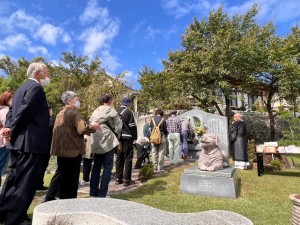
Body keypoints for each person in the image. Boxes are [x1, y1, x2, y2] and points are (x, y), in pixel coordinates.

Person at [0, 62, 51, 225]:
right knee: (25, 183)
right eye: (47, 72)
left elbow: (12, 112)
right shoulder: (35, 88)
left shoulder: (22, 88)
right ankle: (16, 219)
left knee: (13, 180)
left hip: (19, 144)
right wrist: (13, 132)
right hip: (30, 143)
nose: (48, 76)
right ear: (38, 73)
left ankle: (3, 213)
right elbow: (24, 112)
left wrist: (9, 129)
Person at [44, 91, 99, 202]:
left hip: (61, 150)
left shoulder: (60, 113)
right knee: (72, 177)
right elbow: (82, 128)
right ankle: (69, 199)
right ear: (70, 101)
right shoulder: (73, 113)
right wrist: (94, 127)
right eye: (77, 99)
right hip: (72, 149)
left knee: (61, 174)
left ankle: (52, 197)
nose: (78, 101)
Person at [89, 94, 122, 197]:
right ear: (110, 101)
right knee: (107, 168)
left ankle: (93, 192)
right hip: (108, 141)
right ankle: (102, 194)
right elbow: (118, 127)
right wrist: (117, 136)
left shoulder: (95, 112)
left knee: (96, 168)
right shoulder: (112, 111)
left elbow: (90, 124)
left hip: (96, 141)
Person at [115, 97, 137, 187]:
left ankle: (118, 178)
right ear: (128, 104)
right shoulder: (129, 112)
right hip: (127, 137)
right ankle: (127, 179)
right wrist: (135, 137)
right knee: (128, 158)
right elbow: (132, 126)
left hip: (118, 138)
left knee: (119, 158)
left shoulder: (115, 112)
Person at [37, 104, 55, 191]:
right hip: (45, 147)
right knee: (42, 166)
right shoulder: (49, 121)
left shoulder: (38, 120)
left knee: (40, 166)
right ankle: (39, 184)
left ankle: (38, 183)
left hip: (39, 147)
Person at [0, 90, 14, 187]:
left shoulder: (1, 110)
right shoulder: (6, 111)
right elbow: (8, 126)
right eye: (12, 98)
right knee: (1, 166)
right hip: (3, 142)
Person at [150, 108, 168, 173]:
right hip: (161, 136)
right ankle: (160, 168)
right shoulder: (163, 120)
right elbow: (165, 130)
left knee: (154, 152)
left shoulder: (152, 119)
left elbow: (151, 128)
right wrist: (165, 136)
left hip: (153, 137)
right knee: (161, 152)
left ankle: (154, 167)